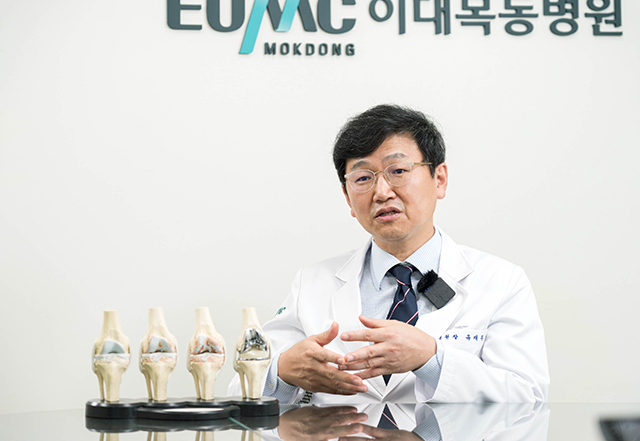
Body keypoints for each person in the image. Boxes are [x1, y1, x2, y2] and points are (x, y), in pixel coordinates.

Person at [228, 104, 549, 403]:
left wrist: (431, 359)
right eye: (363, 178)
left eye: (398, 171)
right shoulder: (312, 283)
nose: (381, 192)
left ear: (439, 179)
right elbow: (241, 391)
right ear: (347, 197)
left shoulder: (501, 281)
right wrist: (282, 372)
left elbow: (528, 397)